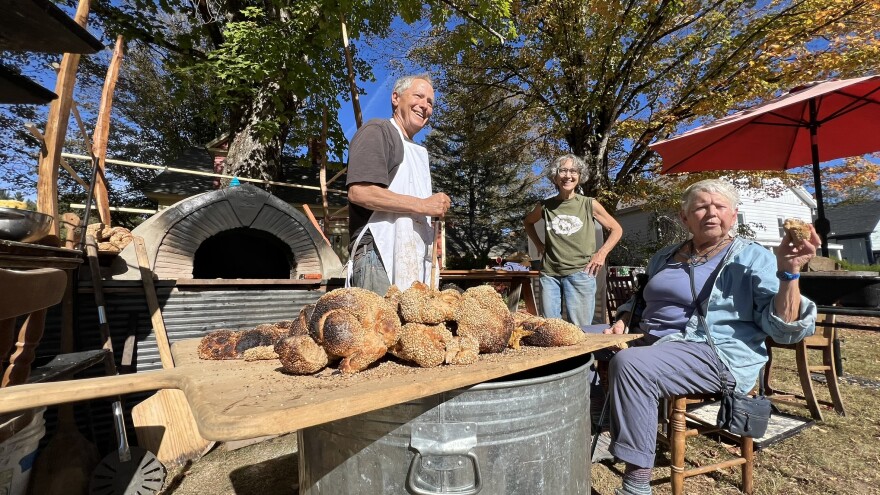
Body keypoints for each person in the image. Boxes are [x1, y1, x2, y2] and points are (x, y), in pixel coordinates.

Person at [602, 179, 819, 495]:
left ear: (734, 215)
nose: (711, 213)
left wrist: (789, 273)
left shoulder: (753, 257)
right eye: (701, 207)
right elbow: (642, 297)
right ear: (684, 217)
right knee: (579, 340)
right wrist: (623, 316)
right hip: (650, 339)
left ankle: (636, 485)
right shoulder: (664, 255)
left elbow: (783, 330)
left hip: (711, 351)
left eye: (719, 207)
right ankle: (604, 420)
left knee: (631, 365)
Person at [346, 74, 451, 294]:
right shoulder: (378, 131)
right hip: (377, 257)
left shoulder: (418, 152)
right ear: (395, 98)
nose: (424, 106)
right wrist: (423, 205)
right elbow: (360, 192)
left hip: (413, 258)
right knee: (380, 328)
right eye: (419, 96)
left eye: (430, 102)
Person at [524, 154, 623, 326]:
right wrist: (539, 244)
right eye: (563, 170)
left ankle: (584, 355)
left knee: (581, 331)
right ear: (555, 176)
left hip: (581, 273)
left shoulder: (589, 204)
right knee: (550, 329)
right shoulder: (545, 206)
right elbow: (528, 222)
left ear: (579, 176)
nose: (568, 176)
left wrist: (601, 254)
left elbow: (616, 229)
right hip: (550, 276)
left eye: (573, 171)